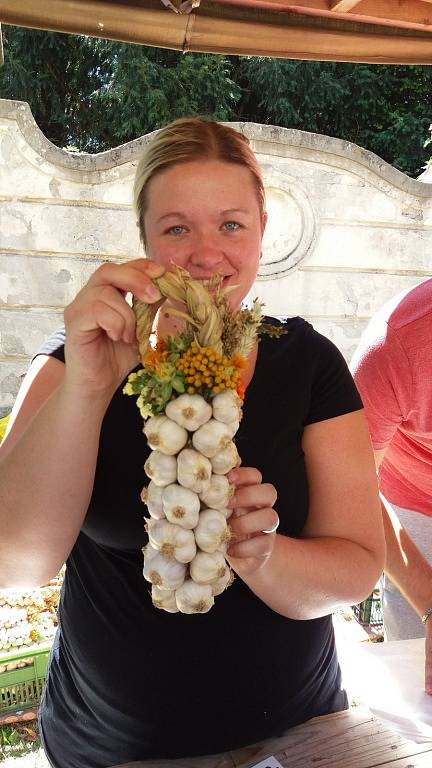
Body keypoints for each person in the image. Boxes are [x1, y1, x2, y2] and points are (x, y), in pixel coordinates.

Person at [0, 118, 384, 768]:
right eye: (177, 228)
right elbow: (14, 565)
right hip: (110, 749)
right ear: (146, 238)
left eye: (231, 224)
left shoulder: (308, 363)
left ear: (263, 229)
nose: (206, 254)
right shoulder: (80, 361)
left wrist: (260, 552)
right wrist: (90, 389)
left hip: (297, 739)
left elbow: (355, 569)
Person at [350, 278, 432, 694]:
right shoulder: (395, 345)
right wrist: (430, 604)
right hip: (413, 512)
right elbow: (352, 493)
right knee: (418, 671)